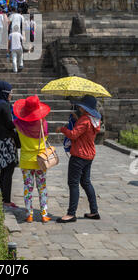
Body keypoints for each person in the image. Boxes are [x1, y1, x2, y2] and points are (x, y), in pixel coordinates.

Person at [55, 95, 101, 223]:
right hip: (89, 154)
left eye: (81, 105)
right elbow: (85, 131)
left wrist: (62, 129)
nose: (79, 107)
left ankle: (71, 214)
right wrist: (78, 119)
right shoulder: (94, 119)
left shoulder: (84, 120)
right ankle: (94, 211)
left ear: (85, 108)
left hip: (79, 155)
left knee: (73, 183)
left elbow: (73, 135)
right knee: (86, 182)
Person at [13, 95, 52, 223]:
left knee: (27, 187)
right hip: (40, 160)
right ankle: (44, 214)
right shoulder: (43, 123)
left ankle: (29, 213)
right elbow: (45, 139)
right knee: (42, 187)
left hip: (26, 160)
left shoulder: (18, 124)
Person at [0, 81, 19, 208]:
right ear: (5, 93)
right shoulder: (5, 106)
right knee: (9, 170)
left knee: (4, 169)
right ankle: (6, 200)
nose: (11, 95)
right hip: (7, 141)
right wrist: (20, 121)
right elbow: (9, 124)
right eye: (10, 92)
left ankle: (4, 198)